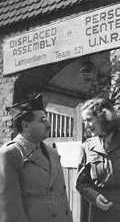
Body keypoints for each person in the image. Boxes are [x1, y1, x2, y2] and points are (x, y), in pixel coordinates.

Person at [0, 94, 73, 222]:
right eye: (42, 120)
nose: (49, 124)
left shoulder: (53, 152)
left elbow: (62, 197)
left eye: (47, 119)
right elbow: (9, 208)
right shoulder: (10, 153)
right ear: (26, 125)